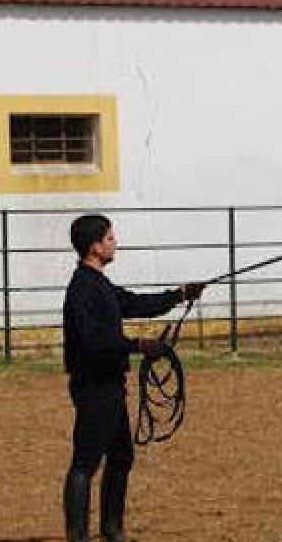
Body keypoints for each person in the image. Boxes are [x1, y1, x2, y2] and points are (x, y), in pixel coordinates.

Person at [62, 214, 206, 542]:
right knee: (85, 461)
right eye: (110, 238)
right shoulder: (83, 288)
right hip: (94, 385)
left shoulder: (99, 285)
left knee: (121, 457)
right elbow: (94, 342)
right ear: (95, 246)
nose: (115, 243)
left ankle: (112, 529)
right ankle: (78, 536)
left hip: (110, 385)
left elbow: (134, 303)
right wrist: (138, 345)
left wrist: (179, 294)